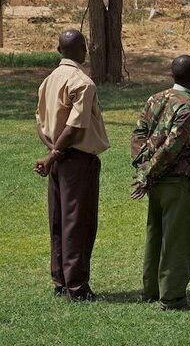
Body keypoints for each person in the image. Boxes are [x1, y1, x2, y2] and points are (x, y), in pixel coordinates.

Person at [34, 29, 110, 301]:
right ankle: (77, 288)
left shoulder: (49, 81)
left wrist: (52, 151)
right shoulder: (83, 82)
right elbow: (76, 127)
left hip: (58, 159)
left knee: (58, 221)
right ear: (82, 48)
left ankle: (60, 281)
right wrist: (55, 154)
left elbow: (40, 124)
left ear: (58, 50)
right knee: (78, 223)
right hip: (76, 160)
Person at [130, 55, 190, 310]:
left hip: (157, 182)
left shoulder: (156, 98)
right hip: (178, 181)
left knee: (156, 235)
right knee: (178, 240)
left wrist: (143, 168)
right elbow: (172, 147)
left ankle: (152, 291)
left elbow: (139, 135)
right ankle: (173, 298)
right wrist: (147, 174)